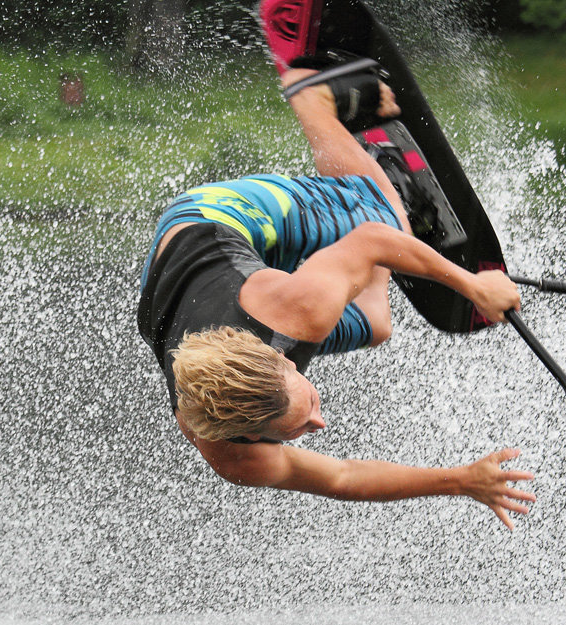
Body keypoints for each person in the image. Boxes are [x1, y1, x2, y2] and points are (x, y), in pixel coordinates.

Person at [136, 61, 536, 528]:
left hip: (216, 218)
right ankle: (341, 257)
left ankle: (314, 98)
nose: (317, 425)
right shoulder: (228, 450)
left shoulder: (294, 312)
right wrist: (461, 481)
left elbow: (372, 240)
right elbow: (343, 478)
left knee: (383, 219)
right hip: (199, 288)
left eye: (303, 416)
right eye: (295, 431)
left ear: (285, 360)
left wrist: (473, 286)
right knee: (375, 325)